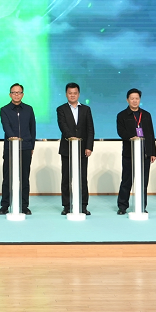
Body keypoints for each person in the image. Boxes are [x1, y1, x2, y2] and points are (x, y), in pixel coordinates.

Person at [116, 88, 156, 215]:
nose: (134, 101)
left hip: (145, 154)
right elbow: (121, 132)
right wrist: (132, 137)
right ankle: (122, 206)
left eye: (137, 98)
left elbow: (151, 134)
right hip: (129, 154)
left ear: (140, 100)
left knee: (143, 182)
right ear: (127, 100)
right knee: (126, 181)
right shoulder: (122, 115)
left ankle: (141, 205)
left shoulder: (146, 115)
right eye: (132, 98)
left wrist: (153, 152)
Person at [56, 82, 95, 215]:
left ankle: (83, 206)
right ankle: (67, 206)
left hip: (83, 150)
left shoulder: (86, 109)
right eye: (70, 93)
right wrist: (72, 138)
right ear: (66, 94)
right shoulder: (61, 109)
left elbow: (90, 129)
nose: (72, 95)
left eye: (75, 93)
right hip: (67, 149)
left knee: (82, 178)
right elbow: (63, 126)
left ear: (78, 94)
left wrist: (89, 146)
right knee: (66, 179)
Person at [0, 83, 37, 215]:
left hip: (25, 147)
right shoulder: (4, 110)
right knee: (7, 177)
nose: (16, 94)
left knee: (24, 178)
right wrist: (13, 138)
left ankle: (24, 206)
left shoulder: (28, 109)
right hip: (10, 147)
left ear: (23, 94)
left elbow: (32, 128)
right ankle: (5, 205)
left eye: (19, 92)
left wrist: (31, 145)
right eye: (14, 92)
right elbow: (6, 126)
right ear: (10, 94)